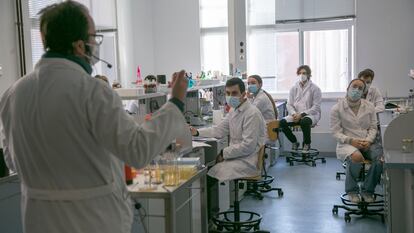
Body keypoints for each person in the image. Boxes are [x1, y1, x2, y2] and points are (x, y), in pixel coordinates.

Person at [0, 2, 189, 233]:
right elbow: (137, 150)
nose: (95, 45)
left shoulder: (13, 94)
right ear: (80, 46)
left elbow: (11, 160)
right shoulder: (92, 91)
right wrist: (175, 103)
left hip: (39, 220)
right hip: (92, 219)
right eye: (94, 37)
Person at [191, 78, 266, 181]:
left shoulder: (252, 113)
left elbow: (248, 146)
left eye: (234, 93)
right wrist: (196, 132)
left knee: (207, 175)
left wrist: (223, 153)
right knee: (206, 171)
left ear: (243, 94)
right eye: (228, 93)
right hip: (237, 156)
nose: (230, 97)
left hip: (247, 160)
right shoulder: (233, 110)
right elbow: (219, 130)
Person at [330, 79, 383, 203]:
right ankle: (352, 191)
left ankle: (368, 190)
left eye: (360, 89)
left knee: (381, 158)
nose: (356, 90)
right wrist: (350, 140)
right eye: (354, 86)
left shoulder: (369, 106)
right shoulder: (337, 108)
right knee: (357, 157)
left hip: (367, 142)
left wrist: (369, 141)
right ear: (347, 88)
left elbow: (373, 127)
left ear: (363, 93)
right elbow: (335, 132)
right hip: (347, 143)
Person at [279, 65, 322, 151]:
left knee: (304, 121)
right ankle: (294, 141)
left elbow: (316, 107)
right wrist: (294, 114)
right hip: (295, 114)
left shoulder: (315, 88)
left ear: (309, 75)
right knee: (282, 122)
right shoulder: (293, 88)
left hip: (311, 115)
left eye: (304, 73)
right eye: (300, 73)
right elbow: (289, 104)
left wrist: (301, 115)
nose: (302, 75)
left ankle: (307, 143)